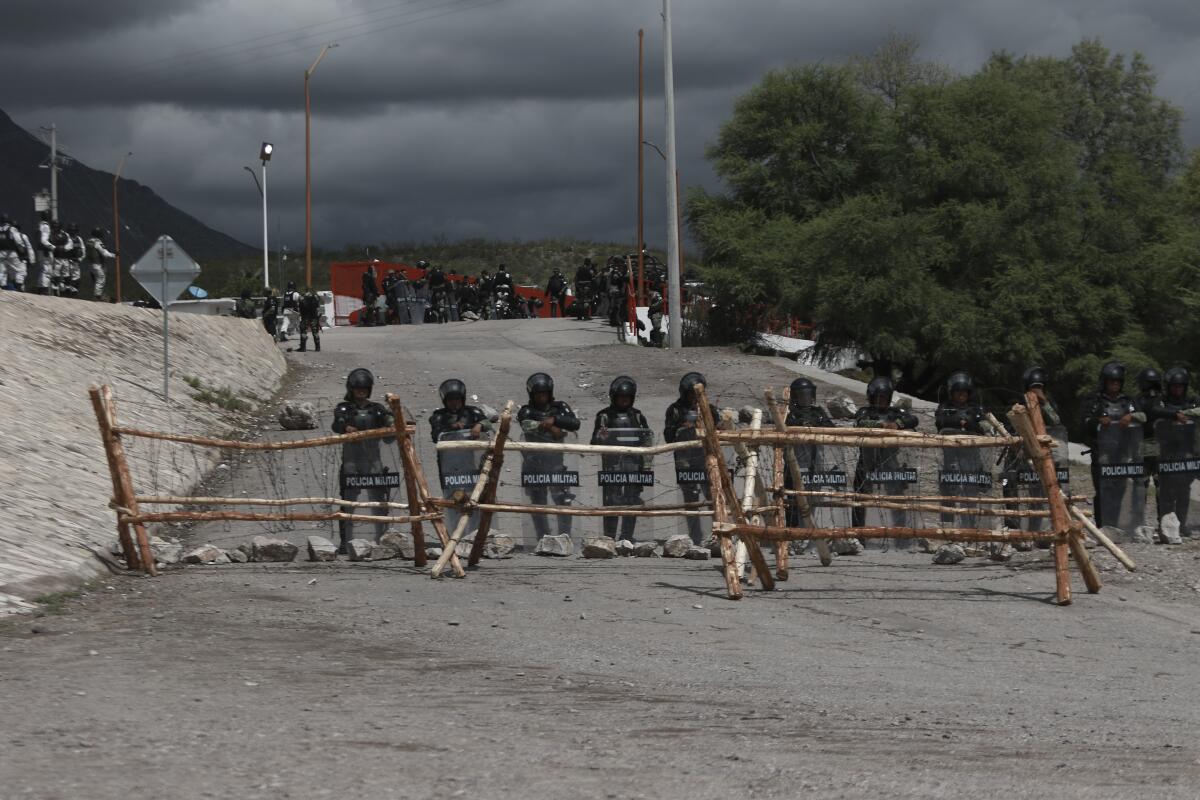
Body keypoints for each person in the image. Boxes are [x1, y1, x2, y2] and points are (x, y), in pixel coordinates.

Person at [331, 368, 395, 553]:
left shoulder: (377, 409)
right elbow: (337, 423)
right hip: (352, 460)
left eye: (364, 389)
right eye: (358, 389)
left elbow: (389, 425)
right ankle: (346, 541)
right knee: (349, 501)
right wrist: (346, 427)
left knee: (378, 500)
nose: (361, 392)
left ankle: (381, 537)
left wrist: (392, 423)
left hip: (373, 460)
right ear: (351, 389)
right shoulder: (344, 408)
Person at [518, 372, 580, 540]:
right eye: (538, 394)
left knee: (563, 500)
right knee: (538, 504)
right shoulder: (527, 410)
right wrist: (551, 428)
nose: (541, 397)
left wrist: (555, 419)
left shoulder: (560, 407)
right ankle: (542, 538)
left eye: (544, 393)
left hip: (556, 462)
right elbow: (526, 425)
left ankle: (565, 536)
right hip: (534, 463)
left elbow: (574, 423)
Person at [850, 376, 919, 528]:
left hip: (890, 461)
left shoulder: (895, 413)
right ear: (872, 397)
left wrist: (897, 424)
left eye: (884, 397)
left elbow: (913, 419)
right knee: (860, 496)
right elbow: (859, 422)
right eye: (878, 397)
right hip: (867, 460)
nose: (881, 400)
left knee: (896, 496)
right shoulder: (864, 412)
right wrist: (879, 425)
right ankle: (858, 532)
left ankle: (900, 532)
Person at [1080, 361, 1142, 528]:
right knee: (1103, 489)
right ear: (1105, 381)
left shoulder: (1127, 401)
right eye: (1111, 381)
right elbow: (1085, 421)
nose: (1115, 384)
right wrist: (1098, 420)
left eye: (1118, 382)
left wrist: (1132, 416)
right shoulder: (1095, 400)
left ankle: (1115, 525)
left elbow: (1143, 415)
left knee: (1120, 488)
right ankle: (1103, 526)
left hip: (1122, 451)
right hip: (1103, 451)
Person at [591, 376, 654, 541]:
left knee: (632, 500)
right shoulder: (604, 416)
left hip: (634, 463)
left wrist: (646, 465)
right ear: (614, 397)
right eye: (621, 397)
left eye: (627, 397)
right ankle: (609, 537)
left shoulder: (638, 416)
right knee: (612, 500)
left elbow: (647, 438)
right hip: (612, 465)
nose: (624, 400)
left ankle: (627, 537)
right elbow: (593, 443)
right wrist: (602, 437)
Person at [664, 372, 721, 544]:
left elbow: (718, 429)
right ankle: (695, 536)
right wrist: (683, 428)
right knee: (691, 499)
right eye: (691, 394)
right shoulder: (675, 409)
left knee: (712, 496)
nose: (694, 397)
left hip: (706, 457)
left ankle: (718, 533)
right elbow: (668, 435)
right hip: (685, 460)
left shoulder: (709, 408)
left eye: (697, 394)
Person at [1147, 367, 1199, 538]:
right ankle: (1166, 526)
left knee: (1184, 490)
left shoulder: (1191, 403)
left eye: (1180, 386)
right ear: (1169, 387)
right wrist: (1175, 415)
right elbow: (1153, 410)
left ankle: (1182, 524)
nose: (1177, 390)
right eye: (1174, 386)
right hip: (1167, 451)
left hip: (1186, 452)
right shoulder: (1161, 402)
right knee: (1167, 490)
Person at [934, 371, 997, 435]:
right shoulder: (945, 406)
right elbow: (939, 422)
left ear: (968, 393)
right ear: (952, 393)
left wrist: (972, 426)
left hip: (973, 441)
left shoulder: (975, 408)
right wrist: (959, 421)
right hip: (948, 440)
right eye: (958, 390)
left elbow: (986, 428)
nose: (961, 394)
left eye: (964, 391)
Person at [84, 227, 116, 300]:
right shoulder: (98, 242)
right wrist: (114, 255)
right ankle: (97, 296)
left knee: (96, 280)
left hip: (90, 264)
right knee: (101, 278)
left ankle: (100, 294)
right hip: (97, 264)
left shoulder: (89, 241)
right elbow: (104, 253)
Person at [0, 214, 26, 291]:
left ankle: (2, 289)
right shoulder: (12, 229)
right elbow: (18, 241)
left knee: (2, 272)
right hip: (11, 253)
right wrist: (22, 251)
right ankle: (19, 286)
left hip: (0, 253)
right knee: (19, 270)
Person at [49, 219, 74, 297]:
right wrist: (55, 248)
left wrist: (63, 248)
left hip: (65, 258)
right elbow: (49, 244)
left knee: (66, 275)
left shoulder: (65, 234)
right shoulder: (51, 234)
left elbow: (70, 244)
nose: (55, 228)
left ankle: (67, 291)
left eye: (57, 226)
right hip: (56, 258)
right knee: (56, 275)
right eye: (54, 226)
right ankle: (55, 291)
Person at [297, 287, 322, 352]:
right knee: (315, 332)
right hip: (314, 317)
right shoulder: (315, 297)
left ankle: (303, 348)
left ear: (305, 291)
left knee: (303, 332)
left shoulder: (301, 297)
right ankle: (317, 347)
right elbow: (318, 307)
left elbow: (299, 307)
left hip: (305, 317)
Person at [63, 223, 85, 299]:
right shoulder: (66, 238)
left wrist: (80, 259)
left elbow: (83, 250)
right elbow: (64, 249)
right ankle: (66, 291)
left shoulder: (79, 239)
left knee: (77, 277)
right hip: (67, 260)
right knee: (66, 276)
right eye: (71, 230)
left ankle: (74, 292)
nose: (73, 232)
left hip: (76, 261)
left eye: (74, 230)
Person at [34, 211, 54, 295]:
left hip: (40, 250)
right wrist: (52, 247)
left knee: (42, 270)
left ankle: (40, 288)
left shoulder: (40, 225)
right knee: (47, 270)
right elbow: (43, 240)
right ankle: (44, 289)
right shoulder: (46, 226)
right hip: (45, 250)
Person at [606, 257, 628, 327]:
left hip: (613, 289)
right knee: (616, 306)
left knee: (615, 306)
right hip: (615, 290)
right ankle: (614, 321)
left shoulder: (613, 270)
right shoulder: (616, 271)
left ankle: (613, 320)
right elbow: (617, 279)